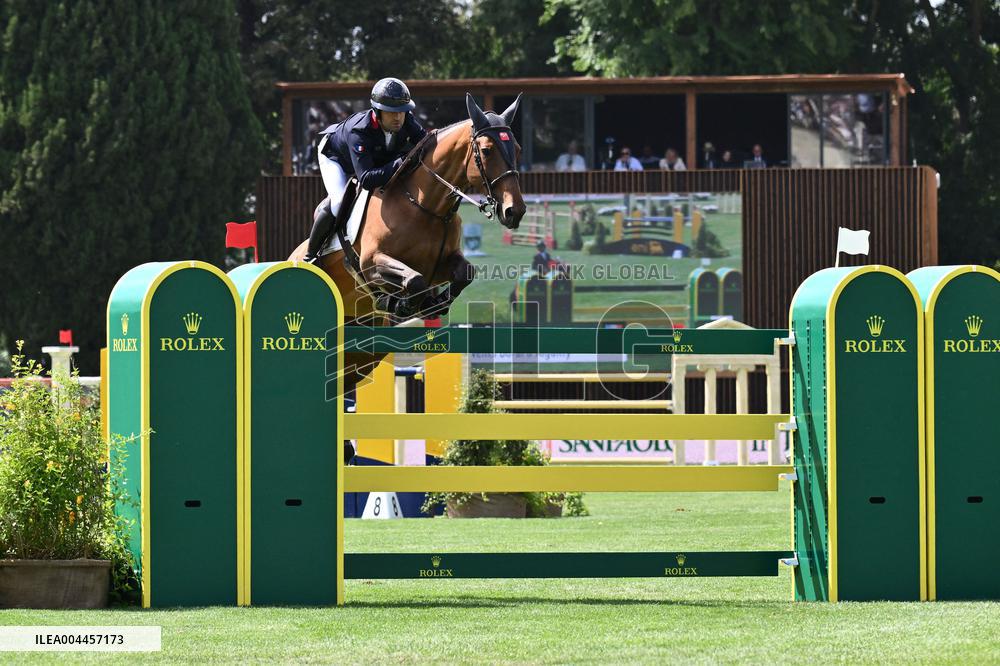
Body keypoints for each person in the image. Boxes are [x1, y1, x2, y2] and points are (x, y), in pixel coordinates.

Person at [304, 77, 427, 262]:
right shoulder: (359, 132)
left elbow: (426, 144)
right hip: (336, 158)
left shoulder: (405, 119)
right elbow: (367, 179)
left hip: (370, 158)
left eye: (402, 111)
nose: (398, 117)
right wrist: (402, 161)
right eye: (392, 112)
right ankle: (311, 255)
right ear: (377, 111)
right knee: (338, 202)